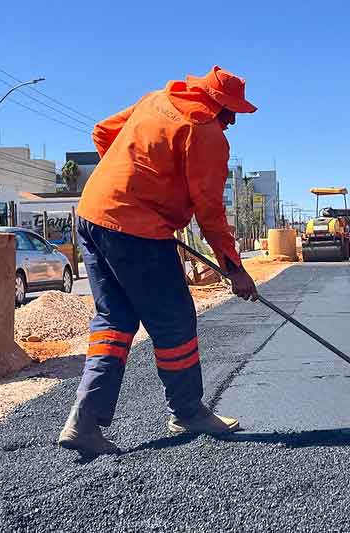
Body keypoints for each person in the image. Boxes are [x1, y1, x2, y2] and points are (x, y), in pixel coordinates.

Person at [57, 66, 259, 456]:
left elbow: (102, 132)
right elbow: (211, 211)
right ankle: (187, 412)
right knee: (174, 318)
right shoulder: (205, 133)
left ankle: (84, 419)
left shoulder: (157, 99)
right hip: (136, 230)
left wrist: (132, 182)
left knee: (114, 321)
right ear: (216, 104)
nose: (232, 120)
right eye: (229, 111)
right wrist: (235, 269)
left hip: (92, 214)